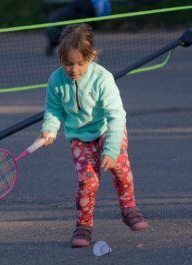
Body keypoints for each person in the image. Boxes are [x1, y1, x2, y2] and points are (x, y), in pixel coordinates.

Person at [39, 24, 148, 248]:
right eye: (68, 63)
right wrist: (50, 129)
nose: (74, 69)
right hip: (80, 136)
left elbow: (117, 116)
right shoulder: (56, 81)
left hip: (108, 129)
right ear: (60, 58)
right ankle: (83, 226)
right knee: (87, 182)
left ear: (92, 56)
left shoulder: (102, 78)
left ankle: (129, 209)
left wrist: (111, 150)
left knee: (121, 169)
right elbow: (53, 110)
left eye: (80, 63)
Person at [45, 0, 111, 56]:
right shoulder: (86, 8)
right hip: (55, 26)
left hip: (54, 24)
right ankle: (85, 51)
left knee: (77, 35)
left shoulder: (83, 7)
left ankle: (85, 50)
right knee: (77, 36)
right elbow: (86, 30)